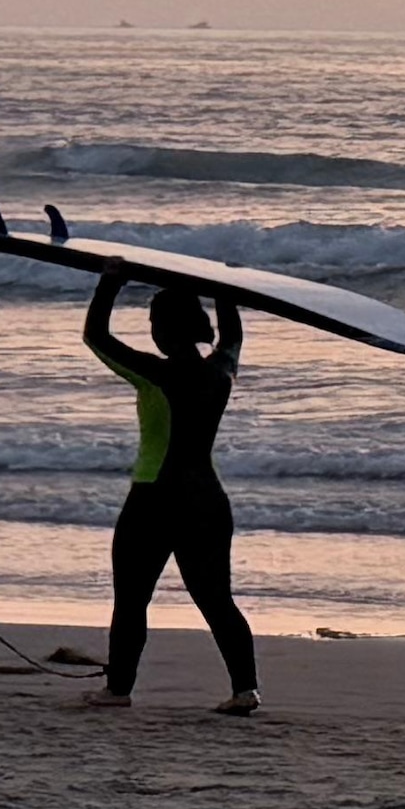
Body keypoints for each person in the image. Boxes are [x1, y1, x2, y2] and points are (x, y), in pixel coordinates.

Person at [81, 268, 257, 712]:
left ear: (161, 332)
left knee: (132, 599)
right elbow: (232, 337)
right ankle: (245, 691)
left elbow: (95, 336)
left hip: (154, 500)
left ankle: (117, 691)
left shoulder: (152, 374)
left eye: (153, 326)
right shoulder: (221, 374)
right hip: (208, 501)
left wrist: (110, 281)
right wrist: (223, 291)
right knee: (217, 601)